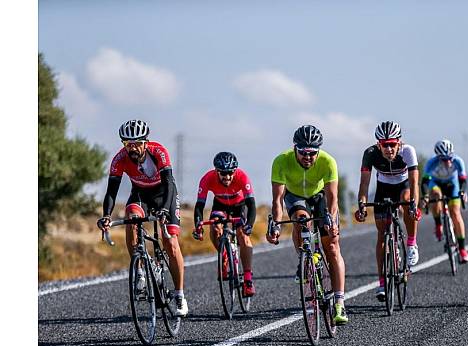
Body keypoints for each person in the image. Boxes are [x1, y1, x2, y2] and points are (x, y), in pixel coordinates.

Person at [97, 119, 188, 316]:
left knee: (170, 242)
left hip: (165, 195)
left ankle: (180, 294)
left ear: (146, 142)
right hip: (141, 195)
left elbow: (170, 184)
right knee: (131, 217)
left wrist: (164, 209)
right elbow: (111, 192)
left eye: (137, 143)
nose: (133, 147)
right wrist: (106, 216)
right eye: (128, 143)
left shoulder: (158, 152)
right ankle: (139, 271)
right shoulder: (119, 159)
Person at [266, 125, 349, 325]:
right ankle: (304, 259)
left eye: (312, 153)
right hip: (295, 197)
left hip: (320, 198)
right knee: (301, 220)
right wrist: (275, 225)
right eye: (303, 152)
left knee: (332, 246)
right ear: (295, 148)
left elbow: (333, 198)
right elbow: (277, 201)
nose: (308, 157)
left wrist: (331, 219)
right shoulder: (281, 161)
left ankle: (339, 302)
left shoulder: (328, 161)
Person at [354, 121, 421, 301]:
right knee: (382, 234)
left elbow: (414, 182)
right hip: (383, 187)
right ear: (378, 144)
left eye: (392, 144)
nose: (389, 149)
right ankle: (383, 282)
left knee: (407, 200)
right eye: (385, 145)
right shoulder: (369, 154)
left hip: (404, 185)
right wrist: (361, 204)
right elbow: (364, 184)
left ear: (399, 142)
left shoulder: (408, 151)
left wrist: (415, 204)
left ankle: (411, 243)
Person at [192, 152, 257, 297]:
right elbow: (199, 206)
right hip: (220, 205)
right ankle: (224, 254)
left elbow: (251, 205)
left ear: (235, 171)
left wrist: (250, 224)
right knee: (215, 227)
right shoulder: (207, 178)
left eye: (230, 173)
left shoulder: (242, 177)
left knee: (243, 235)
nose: (227, 177)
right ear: (217, 171)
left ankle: (247, 279)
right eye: (223, 173)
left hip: (240, 206)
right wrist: (198, 225)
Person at [420, 139, 468, 263]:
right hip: (436, 183)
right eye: (444, 159)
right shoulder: (431, 163)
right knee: (436, 195)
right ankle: (438, 224)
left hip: (452, 185)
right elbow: (425, 182)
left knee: (455, 213)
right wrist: (425, 196)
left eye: (450, 158)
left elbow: (463, 180)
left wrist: (463, 192)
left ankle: (463, 249)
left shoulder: (458, 161)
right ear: (438, 157)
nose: (448, 161)